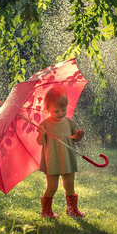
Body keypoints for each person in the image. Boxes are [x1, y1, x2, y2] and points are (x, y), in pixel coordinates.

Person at [36, 87, 85, 218]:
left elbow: (75, 138)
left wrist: (78, 135)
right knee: (52, 187)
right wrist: (41, 134)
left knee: (69, 185)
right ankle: (46, 211)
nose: (60, 113)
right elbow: (40, 142)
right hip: (52, 159)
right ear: (48, 109)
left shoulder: (69, 122)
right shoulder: (45, 124)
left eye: (63, 110)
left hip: (67, 158)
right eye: (56, 111)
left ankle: (72, 209)